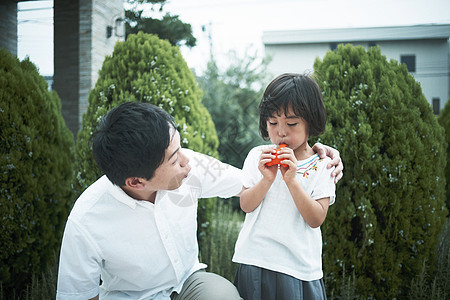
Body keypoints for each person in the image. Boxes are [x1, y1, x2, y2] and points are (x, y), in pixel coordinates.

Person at [56, 101, 343, 299]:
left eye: (179, 147)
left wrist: (313, 154)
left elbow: (250, 183)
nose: (186, 162)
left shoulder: (190, 163)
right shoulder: (86, 220)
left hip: (189, 284)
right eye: (173, 159)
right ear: (136, 182)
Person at [233, 73, 338, 300]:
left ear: (311, 121)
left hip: (297, 268)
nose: (280, 131)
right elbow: (245, 204)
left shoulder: (323, 165)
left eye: (291, 123)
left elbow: (316, 219)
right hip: (255, 260)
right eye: (272, 122)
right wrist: (267, 179)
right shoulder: (257, 156)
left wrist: (292, 180)